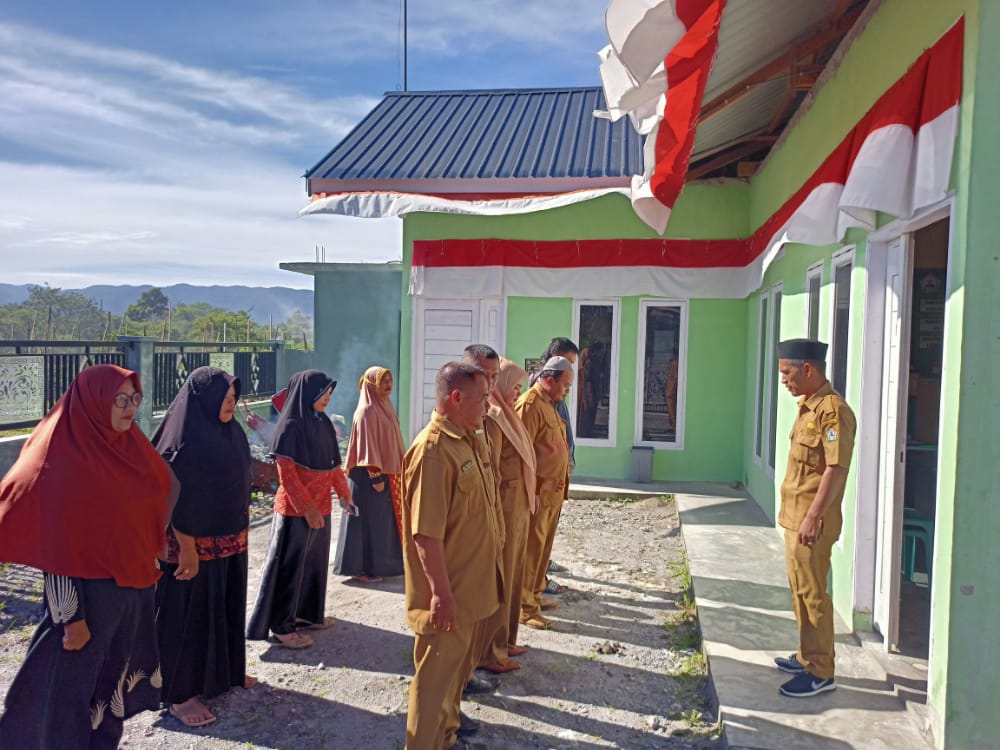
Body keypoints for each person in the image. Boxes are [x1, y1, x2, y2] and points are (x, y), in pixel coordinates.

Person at [0, 365, 174, 750]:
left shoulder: (129, 448)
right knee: (64, 701)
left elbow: (155, 496)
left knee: (107, 695)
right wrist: (70, 618)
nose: (130, 409)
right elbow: (57, 545)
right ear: (95, 401)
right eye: (120, 400)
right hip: (86, 607)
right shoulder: (66, 460)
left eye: (134, 399)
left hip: (128, 595)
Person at [401, 362, 503, 750]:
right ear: (456, 398)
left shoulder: (465, 438)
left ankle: (445, 738)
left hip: (469, 590)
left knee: (453, 681)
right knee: (434, 684)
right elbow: (425, 534)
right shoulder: (433, 451)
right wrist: (440, 595)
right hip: (450, 595)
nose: (488, 405)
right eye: (482, 398)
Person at [151, 366, 254, 727]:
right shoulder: (183, 441)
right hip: (190, 547)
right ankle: (179, 695)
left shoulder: (230, 432)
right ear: (204, 399)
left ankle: (221, 676)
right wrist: (188, 545)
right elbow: (170, 496)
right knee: (188, 618)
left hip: (229, 542)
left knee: (223, 609)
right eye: (224, 399)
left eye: (233, 398)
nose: (231, 404)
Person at [773, 339, 857, 698]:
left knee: (813, 595)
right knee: (799, 592)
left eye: (787, 372)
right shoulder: (807, 407)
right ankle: (807, 655)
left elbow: (835, 469)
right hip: (795, 519)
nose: (784, 381)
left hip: (811, 522)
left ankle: (821, 671)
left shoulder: (832, 411)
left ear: (808, 369)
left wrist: (812, 516)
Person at [246, 369, 354, 649]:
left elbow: (333, 467)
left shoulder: (324, 424)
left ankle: (307, 615)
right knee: (290, 568)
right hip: (295, 512)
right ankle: (282, 627)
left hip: (321, 509)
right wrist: (307, 508)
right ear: (307, 394)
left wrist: (344, 495)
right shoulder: (290, 426)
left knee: (314, 566)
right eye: (322, 393)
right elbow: (287, 475)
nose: (327, 398)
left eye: (330, 393)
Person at [479, 357, 536, 673]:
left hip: (519, 508)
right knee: (501, 578)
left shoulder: (509, 415)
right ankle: (493, 647)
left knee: (514, 573)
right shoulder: (494, 417)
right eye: (514, 386)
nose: (517, 392)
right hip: (505, 508)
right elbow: (495, 471)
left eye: (519, 387)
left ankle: (508, 637)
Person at [333, 366, 405, 583]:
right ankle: (361, 568)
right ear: (371, 384)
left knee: (380, 525)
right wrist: (376, 476)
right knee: (366, 525)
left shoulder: (385, 407)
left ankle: (380, 566)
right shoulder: (366, 411)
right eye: (383, 381)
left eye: (390, 380)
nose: (388, 385)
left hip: (384, 475)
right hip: (368, 477)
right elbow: (367, 446)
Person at [517, 356, 573, 630]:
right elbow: (519, 455)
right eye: (565, 384)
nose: (568, 390)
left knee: (542, 549)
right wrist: (539, 486)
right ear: (549, 379)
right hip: (538, 494)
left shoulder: (550, 404)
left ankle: (535, 596)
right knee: (530, 549)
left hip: (553, 494)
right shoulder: (529, 405)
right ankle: (524, 608)